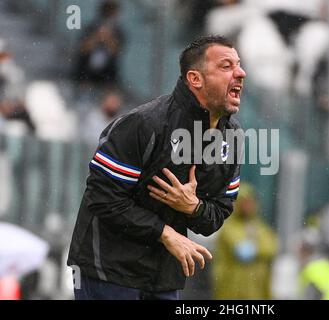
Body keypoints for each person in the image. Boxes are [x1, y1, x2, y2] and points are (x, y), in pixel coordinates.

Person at [67, 35, 246, 300]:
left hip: (163, 278)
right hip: (107, 270)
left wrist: (193, 208)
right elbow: (102, 198)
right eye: (226, 66)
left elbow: (218, 213)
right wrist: (164, 233)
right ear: (195, 79)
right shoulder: (143, 124)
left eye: (239, 64)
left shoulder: (233, 138)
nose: (240, 73)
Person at [212, 183, 278, 299]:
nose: (248, 206)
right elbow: (242, 251)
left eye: (250, 202)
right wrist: (257, 248)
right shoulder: (228, 227)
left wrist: (256, 248)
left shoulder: (261, 226)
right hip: (232, 291)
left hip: (258, 291)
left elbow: (272, 247)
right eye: (244, 202)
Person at [72, 0, 124, 87]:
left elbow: (116, 51)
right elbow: (83, 49)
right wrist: (96, 37)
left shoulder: (118, 31)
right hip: (86, 73)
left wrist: (107, 38)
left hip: (108, 75)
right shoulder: (91, 28)